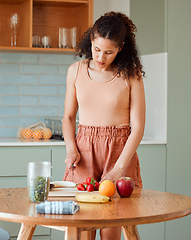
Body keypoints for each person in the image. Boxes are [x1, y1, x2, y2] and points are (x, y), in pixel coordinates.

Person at [62, 11, 146, 240]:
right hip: (84, 151)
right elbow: (69, 117)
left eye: (109, 52)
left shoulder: (131, 75)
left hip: (119, 151)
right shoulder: (75, 71)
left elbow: (137, 127)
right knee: (81, 229)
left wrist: (119, 168)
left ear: (121, 48)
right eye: (97, 49)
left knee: (111, 229)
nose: (101, 57)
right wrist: (71, 148)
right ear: (91, 40)